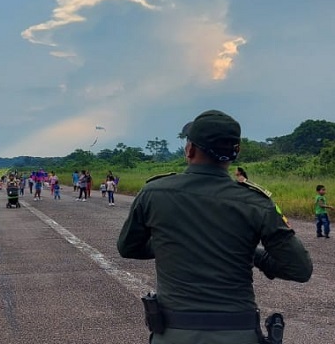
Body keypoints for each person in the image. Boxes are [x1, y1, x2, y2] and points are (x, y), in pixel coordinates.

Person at [117, 110, 312, 344]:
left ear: (189, 150)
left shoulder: (154, 193)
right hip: (239, 333)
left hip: (174, 333)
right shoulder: (256, 203)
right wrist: (254, 255)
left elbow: (128, 247)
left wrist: (172, 245)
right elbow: (299, 269)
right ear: (234, 154)